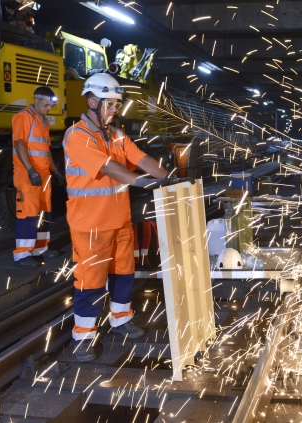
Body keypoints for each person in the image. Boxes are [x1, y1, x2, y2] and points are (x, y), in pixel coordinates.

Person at [63, 73, 189, 362]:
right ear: (92, 102)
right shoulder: (77, 136)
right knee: (90, 281)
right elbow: (106, 167)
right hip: (90, 225)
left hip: (119, 221)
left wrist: (169, 179)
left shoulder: (116, 135)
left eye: (116, 105)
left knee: (124, 273)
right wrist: (141, 182)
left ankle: (120, 319)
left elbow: (142, 159)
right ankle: (83, 337)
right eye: (110, 104)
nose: (114, 110)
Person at [12, 86, 64, 268]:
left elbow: (45, 148)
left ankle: (40, 248)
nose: (49, 109)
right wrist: (30, 170)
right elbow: (19, 144)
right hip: (27, 175)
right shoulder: (23, 117)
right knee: (28, 213)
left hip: (43, 176)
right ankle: (22, 254)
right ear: (37, 100)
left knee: (43, 213)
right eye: (47, 105)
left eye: (51, 106)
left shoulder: (42, 120)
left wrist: (55, 170)